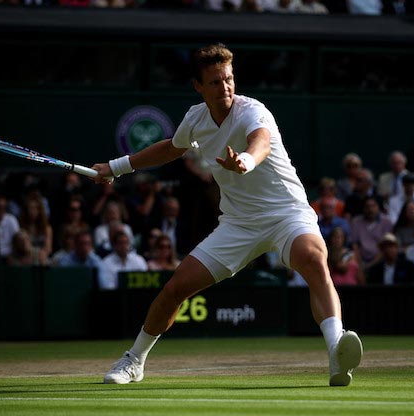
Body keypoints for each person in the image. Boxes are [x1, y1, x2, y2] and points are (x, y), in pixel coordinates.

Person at [93, 44, 362, 387]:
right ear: (199, 87)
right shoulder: (195, 119)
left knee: (313, 259)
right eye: (216, 82)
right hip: (238, 223)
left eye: (229, 79)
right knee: (176, 288)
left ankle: (337, 353)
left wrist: (246, 161)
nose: (226, 87)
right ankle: (134, 360)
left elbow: (260, 142)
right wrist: (115, 168)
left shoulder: (253, 111)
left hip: (286, 212)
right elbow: (171, 148)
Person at [351, 196, 393, 270]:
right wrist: (360, 264)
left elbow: (386, 246)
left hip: (381, 261)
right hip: (361, 261)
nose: (370, 209)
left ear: (378, 207)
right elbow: (355, 245)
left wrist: (371, 265)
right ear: (363, 208)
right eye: (367, 206)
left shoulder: (386, 222)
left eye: (373, 206)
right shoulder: (356, 222)